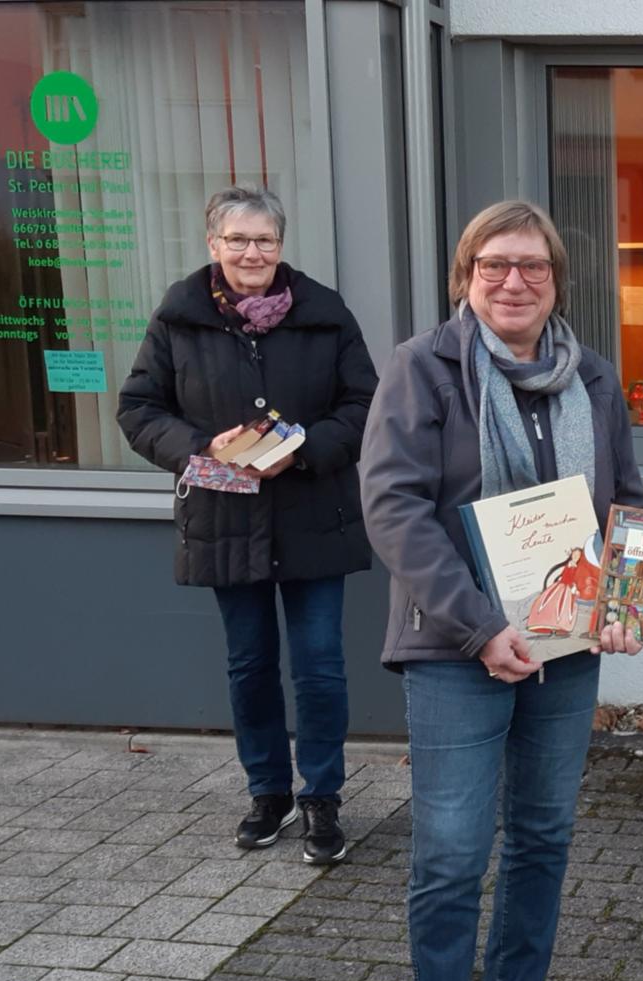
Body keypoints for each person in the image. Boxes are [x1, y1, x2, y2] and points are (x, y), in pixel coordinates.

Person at [359, 200, 643, 981]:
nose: (513, 281)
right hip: (455, 649)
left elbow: (627, 502)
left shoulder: (593, 378)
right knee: (449, 853)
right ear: (465, 277)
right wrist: (482, 627)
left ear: (557, 280)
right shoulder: (422, 369)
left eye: (532, 266)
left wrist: (627, 603)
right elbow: (395, 509)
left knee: (542, 833)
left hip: (563, 652)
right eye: (494, 265)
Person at [118, 185, 376, 865]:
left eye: (264, 240)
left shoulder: (326, 314)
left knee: (320, 668)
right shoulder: (178, 319)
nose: (251, 252)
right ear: (213, 246)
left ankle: (322, 796)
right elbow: (139, 410)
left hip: (313, 512)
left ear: (281, 246)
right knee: (251, 665)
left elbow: (364, 404)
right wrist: (202, 449)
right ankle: (269, 792)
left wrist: (304, 450)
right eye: (237, 239)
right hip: (226, 516)